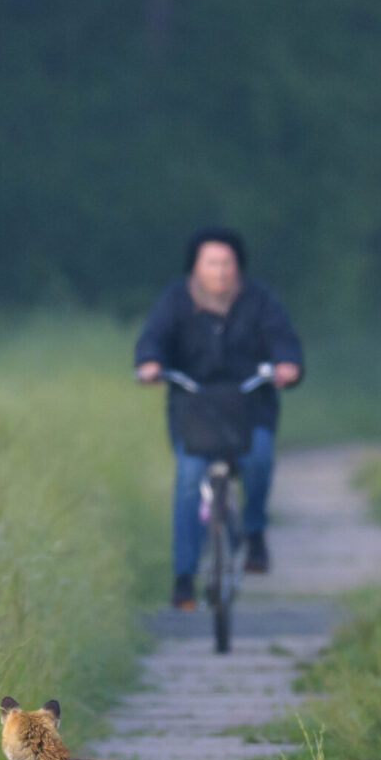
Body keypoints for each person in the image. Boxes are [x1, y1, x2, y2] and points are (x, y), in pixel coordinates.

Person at [135, 227, 303, 609]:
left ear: (237, 265)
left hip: (249, 403)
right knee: (189, 481)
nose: (220, 271)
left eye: (227, 262)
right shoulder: (176, 299)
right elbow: (154, 337)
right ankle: (184, 576)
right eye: (212, 262)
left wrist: (287, 364)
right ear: (195, 266)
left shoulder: (258, 299)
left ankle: (255, 532)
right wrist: (149, 363)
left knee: (259, 459)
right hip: (194, 407)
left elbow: (283, 338)